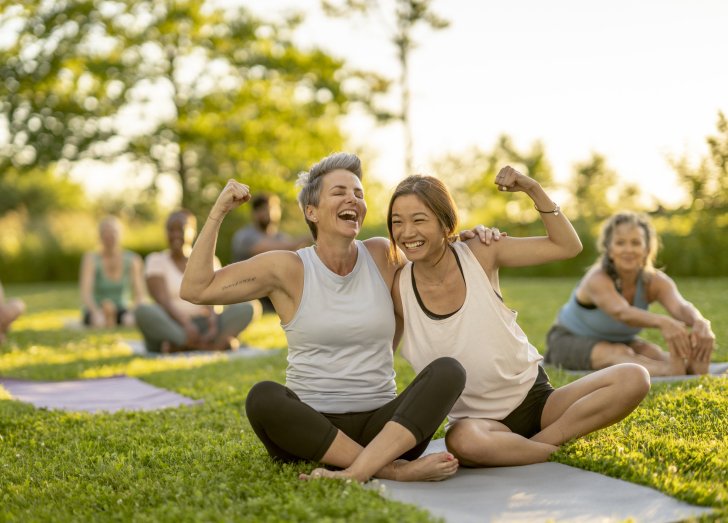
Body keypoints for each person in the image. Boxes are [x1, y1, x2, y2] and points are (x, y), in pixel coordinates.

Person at [180, 152, 497, 483]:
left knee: (449, 371)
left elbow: (433, 254)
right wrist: (217, 212)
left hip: (384, 430)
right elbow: (196, 289)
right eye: (340, 192)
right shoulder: (287, 268)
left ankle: (361, 467)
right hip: (310, 431)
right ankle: (391, 469)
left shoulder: (382, 255)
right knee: (263, 397)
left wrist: (470, 241)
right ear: (311, 211)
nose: (353, 199)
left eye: (359, 194)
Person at [387, 168, 651, 467]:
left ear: (445, 222)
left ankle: (531, 447)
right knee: (461, 441)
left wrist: (532, 188)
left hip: (539, 402)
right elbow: (380, 355)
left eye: (418, 220)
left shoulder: (480, 252)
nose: (407, 233)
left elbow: (566, 246)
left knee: (634, 377)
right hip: (479, 425)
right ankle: (552, 451)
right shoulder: (398, 288)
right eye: (397, 222)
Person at [544, 211, 715, 376]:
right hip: (567, 340)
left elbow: (680, 306)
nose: (628, 249)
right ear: (609, 250)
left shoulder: (654, 281)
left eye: (635, 243)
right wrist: (663, 322)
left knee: (652, 352)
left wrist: (699, 322)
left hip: (620, 340)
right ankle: (669, 371)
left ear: (647, 249)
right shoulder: (597, 278)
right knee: (619, 353)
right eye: (620, 243)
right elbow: (622, 312)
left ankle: (689, 366)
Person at [135, 209, 259, 353]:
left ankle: (183, 346)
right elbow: (162, 300)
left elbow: (214, 297)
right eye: (170, 230)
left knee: (249, 307)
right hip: (172, 324)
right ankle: (210, 345)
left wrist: (213, 322)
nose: (175, 235)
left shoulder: (209, 260)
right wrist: (185, 323)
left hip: (203, 324)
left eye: (180, 229)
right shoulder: (156, 260)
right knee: (142, 311)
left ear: (192, 231)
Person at [231, 193, 309, 312]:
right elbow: (266, 248)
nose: (269, 213)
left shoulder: (282, 237)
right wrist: (307, 237)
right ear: (254, 213)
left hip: (275, 292)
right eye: (264, 209)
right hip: (248, 292)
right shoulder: (244, 236)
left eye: (273, 208)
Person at [79, 216, 145, 328]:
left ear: (120, 235)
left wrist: (131, 313)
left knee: (129, 321)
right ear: (99, 236)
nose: (109, 236)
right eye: (105, 232)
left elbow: (140, 294)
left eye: (113, 232)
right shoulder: (91, 259)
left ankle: (113, 316)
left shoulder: (132, 259)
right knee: (99, 322)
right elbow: (86, 294)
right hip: (97, 308)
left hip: (122, 309)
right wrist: (96, 312)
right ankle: (107, 315)